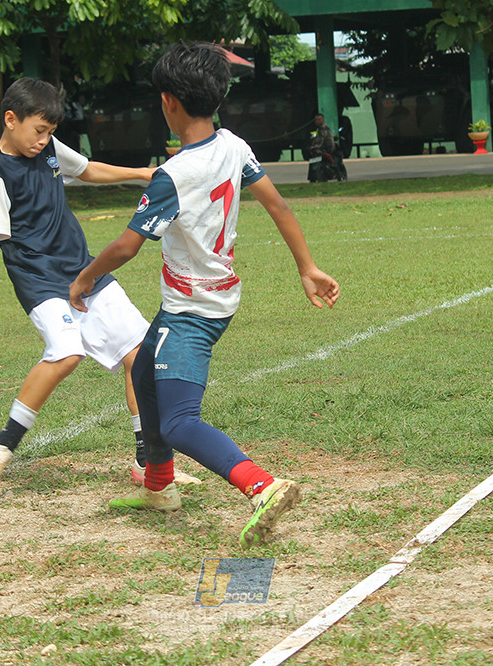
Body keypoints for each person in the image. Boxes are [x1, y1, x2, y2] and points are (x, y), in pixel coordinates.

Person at [69, 42, 340, 548]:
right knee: (145, 371)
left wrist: (84, 278)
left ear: (168, 101)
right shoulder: (234, 145)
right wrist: (308, 267)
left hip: (191, 311)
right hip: (217, 297)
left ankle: (260, 486)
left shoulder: (173, 175)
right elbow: (279, 206)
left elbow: (128, 246)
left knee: (177, 421)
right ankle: (159, 487)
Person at [0, 77, 201, 486]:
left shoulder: (49, 148)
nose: (44, 140)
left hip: (84, 271)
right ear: (11, 119)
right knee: (67, 352)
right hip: (38, 280)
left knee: (141, 357)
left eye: (50, 132)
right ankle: (1, 447)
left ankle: (148, 461)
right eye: (38, 131)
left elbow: (87, 170)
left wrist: (144, 173)